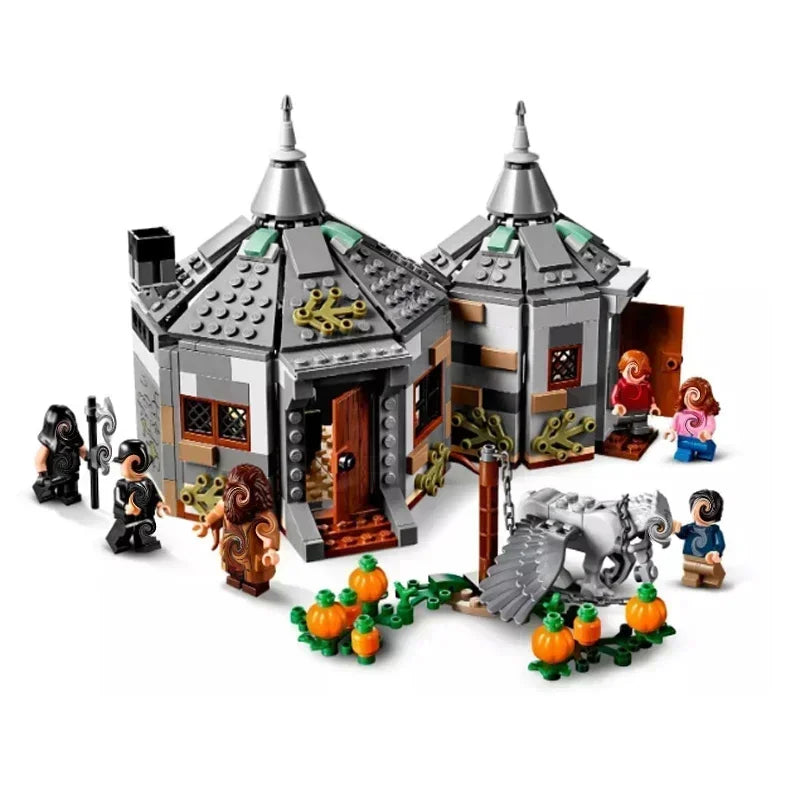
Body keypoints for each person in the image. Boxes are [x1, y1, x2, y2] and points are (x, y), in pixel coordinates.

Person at [194, 464, 280, 597]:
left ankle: (254, 586)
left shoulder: (262, 516)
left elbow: (269, 532)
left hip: (251, 556)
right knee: (233, 570)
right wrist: (205, 524)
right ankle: (235, 578)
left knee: (253, 575)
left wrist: (271, 551)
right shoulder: (226, 505)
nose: (239, 496)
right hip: (231, 552)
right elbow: (215, 513)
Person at [106, 439, 171, 554]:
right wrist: (126, 507)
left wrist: (160, 505)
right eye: (134, 465)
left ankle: (142, 542)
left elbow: (155, 496)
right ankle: (118, 542)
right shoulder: (122, 484)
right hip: (128, 516)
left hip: (145, 515)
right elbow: (118, 498)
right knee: (124, 531)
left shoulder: (148, 483)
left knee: (144, 528)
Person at [33, 405, 88, 505]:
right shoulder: (49, 445)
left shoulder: (74, 441)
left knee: (70, 490)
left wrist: (89, 457)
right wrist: (43, 476)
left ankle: (69, 495)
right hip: (56, 476)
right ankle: (53, 492)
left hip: (71, 474)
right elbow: (39, 460)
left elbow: (83, 451)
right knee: (52, 487)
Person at [671, 489, 726, 588]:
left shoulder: (714, 530)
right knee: (690, 570)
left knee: (711, 571)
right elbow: (682, 534)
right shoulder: (690, 527)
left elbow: (720, 543)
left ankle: (711, 579)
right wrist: (676, 529)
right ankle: (692, 577)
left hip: (708, 559)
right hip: (690, 557)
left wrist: (716, 552)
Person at [664, 377, 720, 462]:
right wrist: (671, 431)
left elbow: (710, 425)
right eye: (688, 396)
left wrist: (707, 432)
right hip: (683, 440)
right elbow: (673, 426)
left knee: (706, 449)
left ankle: (705, 453)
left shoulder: (707, 415)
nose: (692, 399)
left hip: (701, 441)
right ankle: (685, 452)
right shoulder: (680, 414)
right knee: (683, 453)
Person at [610, 350, 660, 437]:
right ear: (622, 370)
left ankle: (639, 432)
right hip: (624, 413)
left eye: (640, 373)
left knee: (641, 429)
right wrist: (618, 405)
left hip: (642, 413)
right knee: (620, 428)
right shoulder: (621, 384)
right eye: (630, 371)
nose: (633, 377)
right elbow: (615, 396)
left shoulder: (646, 385)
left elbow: (651, 397)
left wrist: (653, 406)